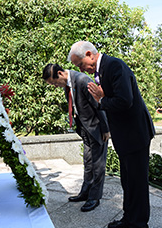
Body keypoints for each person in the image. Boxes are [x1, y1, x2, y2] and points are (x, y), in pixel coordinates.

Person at [68, 41, 155, 228]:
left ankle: (138, 224)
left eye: (80, 64)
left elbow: (125, 101)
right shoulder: (102, 70)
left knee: (137, 184)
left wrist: (101, 99)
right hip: (125, 136)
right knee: (128, 182)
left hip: (135, 134)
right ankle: (128, 219)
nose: (81, 69)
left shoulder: (114, 65)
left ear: (89, 54)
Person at [42, 63, 110, 212]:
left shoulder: (82, 80)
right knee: (88, 161)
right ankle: (85, 192)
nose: (55, 86)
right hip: (85, 129)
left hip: (97, 128)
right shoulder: (69, 84)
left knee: (98, 166)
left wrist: (106, 129)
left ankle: (94, 197)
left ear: (60, 73)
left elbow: (99, 105)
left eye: (54, 83)